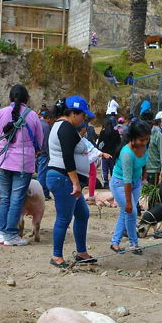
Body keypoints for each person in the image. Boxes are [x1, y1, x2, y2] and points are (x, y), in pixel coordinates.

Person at [0, 84, 43, 246]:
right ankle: (11, 234)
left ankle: (1, 232)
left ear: (11, 98)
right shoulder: (32, 116)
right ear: (26, 99)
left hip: (3, 160)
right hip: (23, 163)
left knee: (4, 198)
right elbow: (39, 141)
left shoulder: (0, 113)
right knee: (17, 198)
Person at [46, 96, 96, 267]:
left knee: (82, 214)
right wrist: (75, 182)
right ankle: (57, 256)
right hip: (63, 178)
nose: (84, 119)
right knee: (64, 217)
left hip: (65, 178)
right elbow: (68, 157)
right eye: (83, 115)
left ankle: (81, 253)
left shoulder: (65, 126)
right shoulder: (65, 128)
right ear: (73, 113)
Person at [110, 119, 150, 254]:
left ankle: (115, 243)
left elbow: (144, 163)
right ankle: (134, 243)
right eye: (141, 140)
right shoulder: (127, 153)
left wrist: (144, 177)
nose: (144, 143)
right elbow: (126, 180)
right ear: (133, 138)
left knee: (125, 213)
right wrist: (128, 202)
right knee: (131, 212)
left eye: (146, 139)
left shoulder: (144, 147)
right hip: (121, 184)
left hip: (135, 183)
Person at [144, 111, 162, 185]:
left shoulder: (157, 135)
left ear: (152, 123)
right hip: (141, 170)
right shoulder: (140, 134)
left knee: (151, 194)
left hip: (153, 170)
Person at [38, 108, 56, 200]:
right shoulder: (46, 126)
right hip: (44, 153)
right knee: (43, 174)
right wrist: (50, 155)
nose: (53, 122)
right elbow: (46, 142)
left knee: (40, 173)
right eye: (53, 120)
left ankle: (42, 193)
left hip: (36, 152)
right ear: (49, 118)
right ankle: (44, 193)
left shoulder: (38, 123)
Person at [97, 118, 121, 185]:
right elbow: (119, 143)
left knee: (104, 170)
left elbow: (99, 143)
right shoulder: (116, 132)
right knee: (113, 169)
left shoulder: (102, 133)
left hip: (104, 154)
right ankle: (114, 182)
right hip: (113, 154)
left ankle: (105, 183)